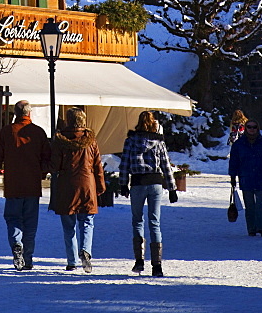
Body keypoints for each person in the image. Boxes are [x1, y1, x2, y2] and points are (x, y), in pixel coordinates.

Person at [0, 99, 51, 271]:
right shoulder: (38, 133)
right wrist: (40, 172)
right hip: (32, 186)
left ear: (15, 113)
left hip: (13, 186)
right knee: (30, 223)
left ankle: (17, 244)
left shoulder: (7, 132)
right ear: (29, 113)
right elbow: (47, 159)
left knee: (13, 218)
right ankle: (28, 259)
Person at [119, 110, 178, 278]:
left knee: (137, 220)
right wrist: (172, 188)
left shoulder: (130, 141)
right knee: (154, 221)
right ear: (154, 124)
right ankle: (157, 265)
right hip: (155, 183)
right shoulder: (158, 143)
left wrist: (123, 184)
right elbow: (166, 165)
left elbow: (124, 164)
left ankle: (139, 260)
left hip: (138, 182)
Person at [50, 109, 105, 273]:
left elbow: (55, 165)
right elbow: (98, 165)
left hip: (66, 186)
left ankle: (72, 261)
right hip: (87, 185)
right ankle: (86, 251)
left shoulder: (60, 140)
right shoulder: (91, 140)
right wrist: (100, 185)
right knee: (87, 222)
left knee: (68, 226)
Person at [228, 118, 262, 236]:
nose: (251, 129)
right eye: (249, 127)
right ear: (245, 128)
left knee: (261, 205)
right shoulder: (238, 145)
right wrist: (232, 176)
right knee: (249, 206)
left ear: (258, 128)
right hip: (246, 178)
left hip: (261, 178)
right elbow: (234, 161)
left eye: (254, 127)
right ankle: (251, 229)